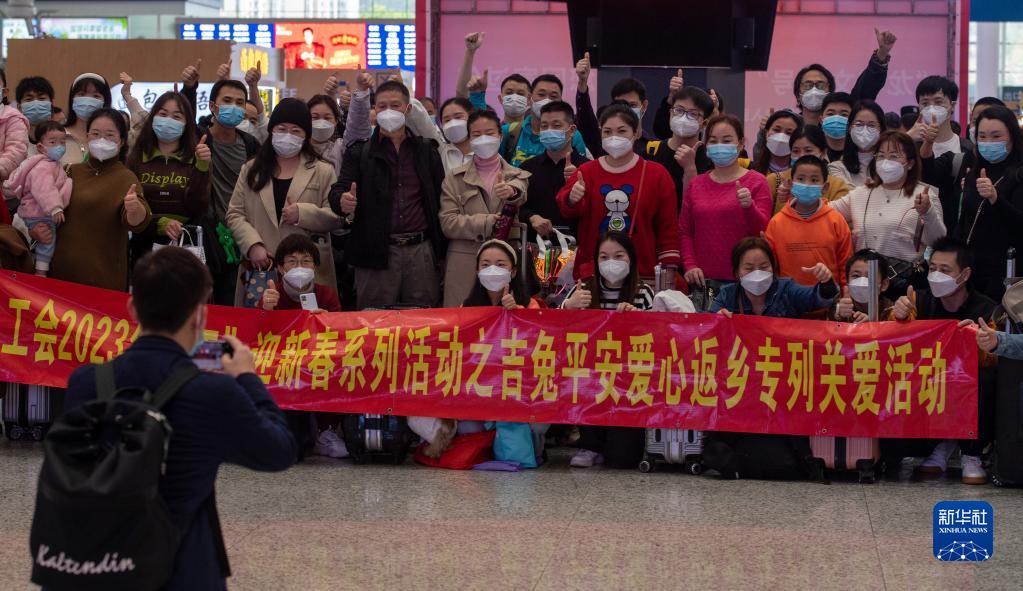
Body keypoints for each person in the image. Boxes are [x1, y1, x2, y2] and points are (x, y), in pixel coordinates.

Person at [63, 247, 296, 590]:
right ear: (200, 317)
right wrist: (248, 378)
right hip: (186, 569)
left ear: (132, 308)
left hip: (101, 567)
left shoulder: (86, 383)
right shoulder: (213, 392)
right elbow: (280, 450)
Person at [330, 80, 446, 310]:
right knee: (374, 322)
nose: (388, 111)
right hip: (374, 252)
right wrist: (342, 200)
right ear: (374, 109)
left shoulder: (426, 150)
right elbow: (338, 190)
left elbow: (441, 198)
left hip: (421, 250)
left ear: (408, 109)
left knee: (424, 321)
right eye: (382, 106)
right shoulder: (359, 151)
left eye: (395, 105)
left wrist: (441, 251)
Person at [891, 237, 997, 484]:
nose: (936, 275)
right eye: (933, 268)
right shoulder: (919, 301)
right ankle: (941, 443)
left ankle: (971, 453)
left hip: (966, 380)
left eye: (945, 270)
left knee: (986, 379)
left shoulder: (986, 309)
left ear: (965, 274)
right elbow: (896, 341)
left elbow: (994, 358)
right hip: (928, 378)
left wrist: (982, 343)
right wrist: (899, 316)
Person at [226, 98, 339, 306]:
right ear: (271, 131)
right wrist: (252, 245)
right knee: (261, 322)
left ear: (306, 135)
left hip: (306, 271)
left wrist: (302, 214)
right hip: (262, 266)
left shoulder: (323, 170)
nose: (288, 135)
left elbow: (336, 217)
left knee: (308, 324)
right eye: (282, 129)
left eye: (296, 131)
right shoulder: (251, 169)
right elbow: (235, 213)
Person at [561, 231, 655, 469]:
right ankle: (589, 443)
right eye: (604, 257)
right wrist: (569, 306)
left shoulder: (642, 292)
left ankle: (612, 441)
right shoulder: (584, 288)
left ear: (631, 258)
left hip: (629, 379)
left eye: (618, 256)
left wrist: (639, 318)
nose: (611, 262)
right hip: (590, 374)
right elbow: (555, 329)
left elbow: (657, 335)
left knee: (622, 459)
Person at [557, 104, 679, 281]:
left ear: (636, 133)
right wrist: (571, 199)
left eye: (622, 131)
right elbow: (565, 209)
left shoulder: (656, 174)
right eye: (607, 132)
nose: (614, 137)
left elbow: (668, 227)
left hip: (642, 274)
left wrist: (668, 268)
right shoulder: (586, 171)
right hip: (593, 274)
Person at [34, 108, 150, 291]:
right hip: (60, 275)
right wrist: (36, 229)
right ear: (87, 136)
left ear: (121, 141)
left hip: (102, 282)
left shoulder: (126, 178)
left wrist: (135, 209)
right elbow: (42, 208)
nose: (101, 140)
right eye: (95, 134)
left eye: (109, 135)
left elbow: (137, 223)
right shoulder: (69, 171)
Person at [831, 130, 944, 297]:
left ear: (910, 163)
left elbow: (938, 240)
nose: (886, 162)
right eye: (881, 156)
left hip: (904, 285)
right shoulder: (861, 193)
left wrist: (927, 212)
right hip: (865, 284)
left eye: (893, 156)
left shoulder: (925, 194)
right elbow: (828, 212)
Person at [439, 109, 530, 307]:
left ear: (500, 135)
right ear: (469, 139)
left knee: (507, 318)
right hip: (465, 262)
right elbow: (448, 223)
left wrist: (511, 191)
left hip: (505, 263)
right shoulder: (454, 178)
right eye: (476, 135)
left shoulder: (516, 175)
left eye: (489, 133)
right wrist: (487, 222)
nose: (483, 140)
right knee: (462, 320)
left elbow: (520, 192)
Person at [184, 74, 261, 305]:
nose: (233, 107)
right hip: (205, 235)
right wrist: (189, 88)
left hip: (239, 235)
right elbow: (184, 118)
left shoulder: (250, 145)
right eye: (227, 101)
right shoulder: (199, 139)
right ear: (212, 106)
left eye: (239, 102)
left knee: (232, 302)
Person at [678, 114, 772, 290]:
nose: (719, 145)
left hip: (746, 281)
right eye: (713, 141)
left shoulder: (757, 181)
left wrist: (749, 207)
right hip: (702, 282)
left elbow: (763, 231)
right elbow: (685, 231)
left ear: (741, 144)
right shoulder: (696, 184)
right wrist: (690, 265)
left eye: (727, 140)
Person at [125, 92, 210, 270]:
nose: (168, 120)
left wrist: (202, 167)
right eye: (163, 114)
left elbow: (199, 207)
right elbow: (129, 207)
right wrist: (159, 223)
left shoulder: (198, 157)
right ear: (153, 117)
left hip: (185, 244)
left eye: (177, 116)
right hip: (144, 246)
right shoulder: (136, 158)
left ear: (187, 123)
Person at [950, 105, 1023, 301]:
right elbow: (964, 221)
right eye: (982, 136)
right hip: (971, 272)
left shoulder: (1018, 174)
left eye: (996, 136)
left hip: (1006, 275)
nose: (988, 142)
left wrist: (995, 198)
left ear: (1012, 137)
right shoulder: (975, 172)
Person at [764, 156, 852, 290]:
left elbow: (845, 262)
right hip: (788, 298)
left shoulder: (836, 220)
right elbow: (772, 266)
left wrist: (845, 291)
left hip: (828, 297)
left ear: (825, 187)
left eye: (814, 180)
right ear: (791, 184)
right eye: (801, 179)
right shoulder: (776, 222)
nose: (807, 184)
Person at [3, 121, 70, 275]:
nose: (59, 146)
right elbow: (44, 189)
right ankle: (41, 273)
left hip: (39, 211)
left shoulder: (52, 163)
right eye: (52, 142)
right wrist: (55, 207)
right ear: (40, 147)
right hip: (39, 212)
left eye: (62, 142)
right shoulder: (43, 167)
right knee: (47, 242)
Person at [519, 100, 588, 241]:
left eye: (556, 126)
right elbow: (518, 207)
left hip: (577, 246)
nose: (549, 130)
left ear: (572, 130)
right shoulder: (527, 168)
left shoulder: (587, 168)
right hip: (535, 246)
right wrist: (531, 217)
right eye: (544, 126)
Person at [646, 86, 715, 212]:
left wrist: (690, 169)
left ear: (704, 123)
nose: (684, 118)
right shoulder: (650, 152)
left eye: (693, 114)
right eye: (679, 110)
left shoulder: (711, 159)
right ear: (670, 113)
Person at [501, 73, 588, 166]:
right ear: (529, 98)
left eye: (553, 96)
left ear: (560, 101)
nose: (547, 100)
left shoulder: (572, 135)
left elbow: (581, 166)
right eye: (541, 94)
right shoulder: (509, 132)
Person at [768, 125, 850, 213]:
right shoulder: (774, 180)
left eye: (808, 150)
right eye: (796, 151)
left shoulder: (837, 186)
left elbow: (838, 218)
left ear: (823, 153)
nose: (801, 156)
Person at [308, 74, 373, 177]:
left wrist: (361, 93)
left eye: (327, 118)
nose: (321, 122)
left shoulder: (340, 149)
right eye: (315, 117)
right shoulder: (298, 148)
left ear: (336, 121)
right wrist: (330, 94)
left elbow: (357, 128)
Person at [909, 76, 971, 159]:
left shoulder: (967, 147)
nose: (931, 108)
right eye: (925, 103)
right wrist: (907, 138)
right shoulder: (911, 146)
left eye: (938, 102)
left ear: (952, 106)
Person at [828, 100, 886, 187]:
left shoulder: (890, 165)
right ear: (850, 128)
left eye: (871, 125)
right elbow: (845, 192)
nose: (865, 130)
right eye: (859, 124)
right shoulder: (836, 167)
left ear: (881, 129)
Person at [61, 73, 112, 168]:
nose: (88, 100)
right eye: (81, 94)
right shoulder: (58, 134)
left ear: (105, 102)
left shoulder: (111, 138)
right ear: (72, 99)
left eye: (96, 96)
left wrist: (128, 97)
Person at [830, 249, 894, 322]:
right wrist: (839, 315)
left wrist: (871, 324)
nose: (862, 282)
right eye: (856, 276)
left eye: (870, 276)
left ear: (884, 284)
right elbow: (830, 318)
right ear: (847, 281)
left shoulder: (889, 311)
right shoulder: (840, 304)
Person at [751, 110, 803, 175]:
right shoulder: (754, 167)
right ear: (766, 133)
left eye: (789, 133)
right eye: (776, 130)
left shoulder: (802, 169)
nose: (781, 137)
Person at [437, 96, 475, 173]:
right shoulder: (441, 152)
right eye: (447, 120)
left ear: (472, 118)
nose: (453, 124)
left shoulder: (485, 152)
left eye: (458, 117)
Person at [820, 91, 855, 161]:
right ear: (821, 120)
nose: (836, 119)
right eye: (830, 114)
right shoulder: (812, 150)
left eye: (844, 114)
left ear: (853, 121)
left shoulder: (861, 153)